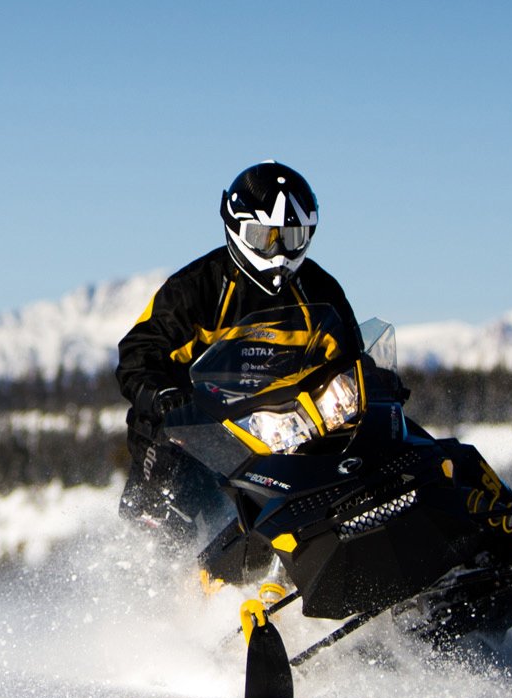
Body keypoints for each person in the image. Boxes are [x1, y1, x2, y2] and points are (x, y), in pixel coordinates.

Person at [116, 161, 362, 561]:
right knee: (166, 487)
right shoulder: (196, 288)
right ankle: (154, 582)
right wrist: (162, 394)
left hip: (283, 431)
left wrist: (370, 382)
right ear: (237, 228)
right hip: (197, 432)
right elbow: (139, 352)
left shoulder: (319, 290)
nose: (279, 253)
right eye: (264, 238)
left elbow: (349, 356)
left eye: (292, 237)